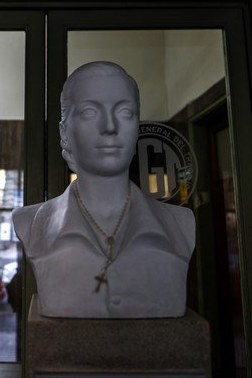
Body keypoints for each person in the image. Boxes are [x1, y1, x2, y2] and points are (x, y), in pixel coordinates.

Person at [12, 61, 195, 318]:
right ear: (64, 133)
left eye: (125, 112)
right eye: (89, 112)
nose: (110, 127)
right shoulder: (31, 224)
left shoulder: (180, 224)